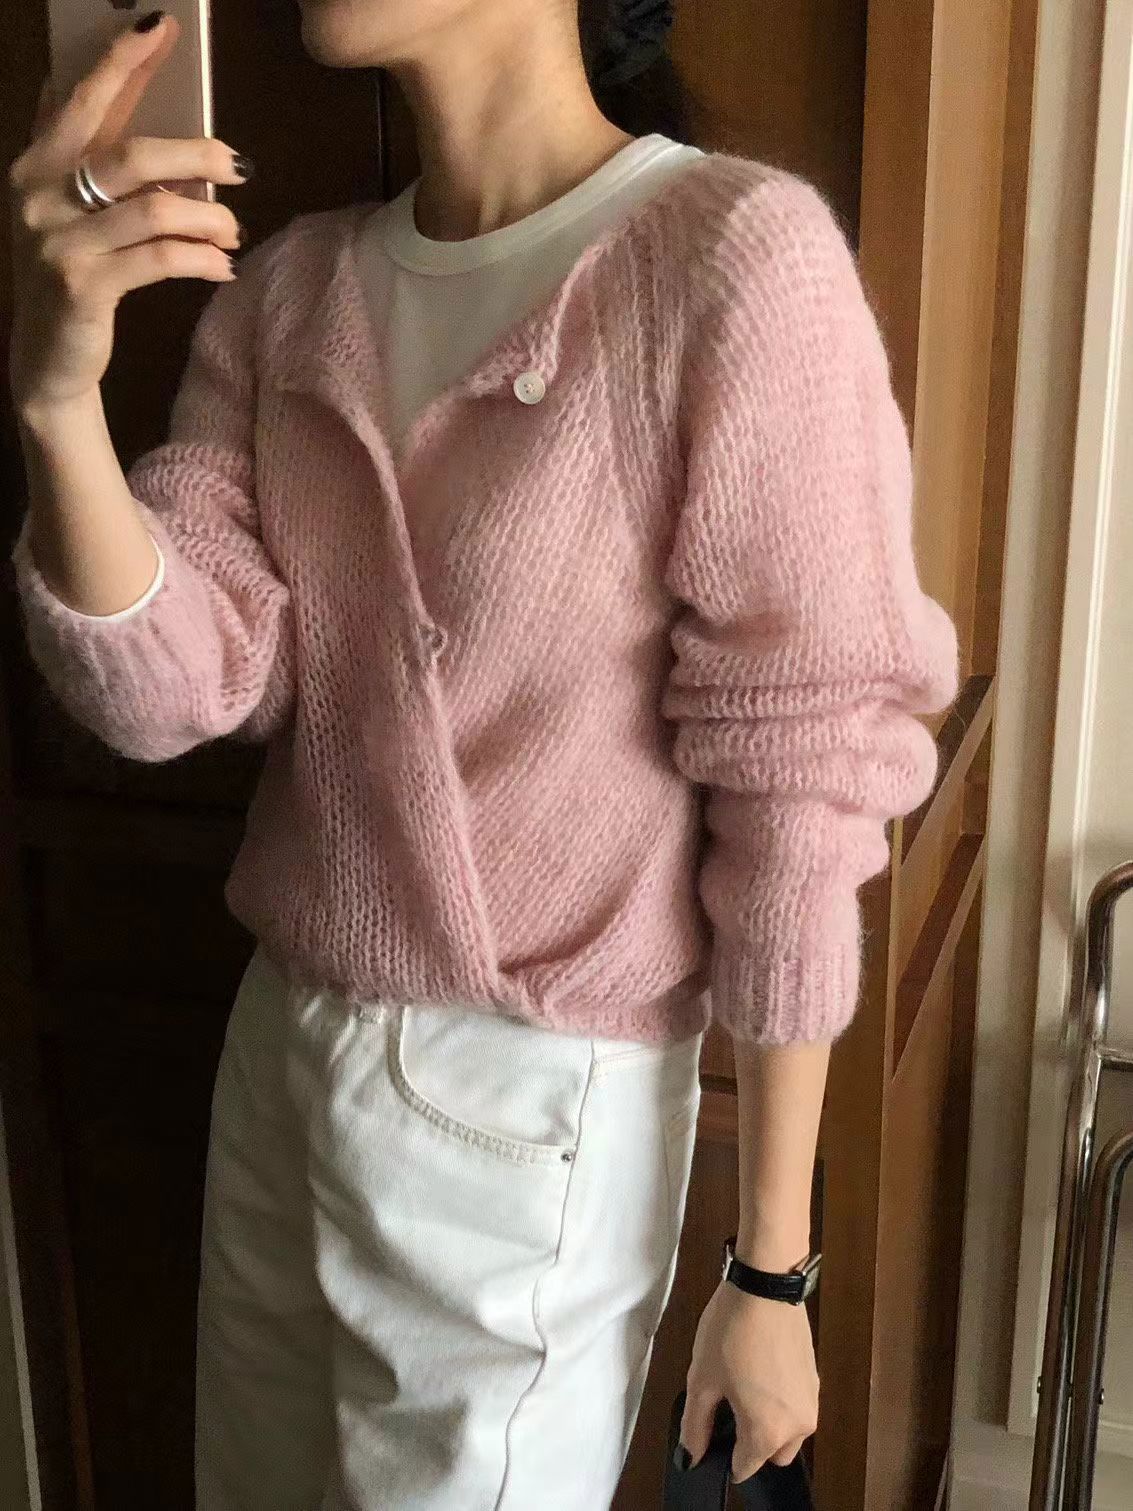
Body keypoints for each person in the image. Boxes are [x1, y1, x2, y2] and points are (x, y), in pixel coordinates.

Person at [5, 0, 961, 1506]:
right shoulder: (290, 289)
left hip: (528, 1098)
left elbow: (803, 769)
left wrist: (771, 1270)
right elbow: (172, 695)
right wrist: (57, 399)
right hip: (281, 1045)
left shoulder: (730, 256)